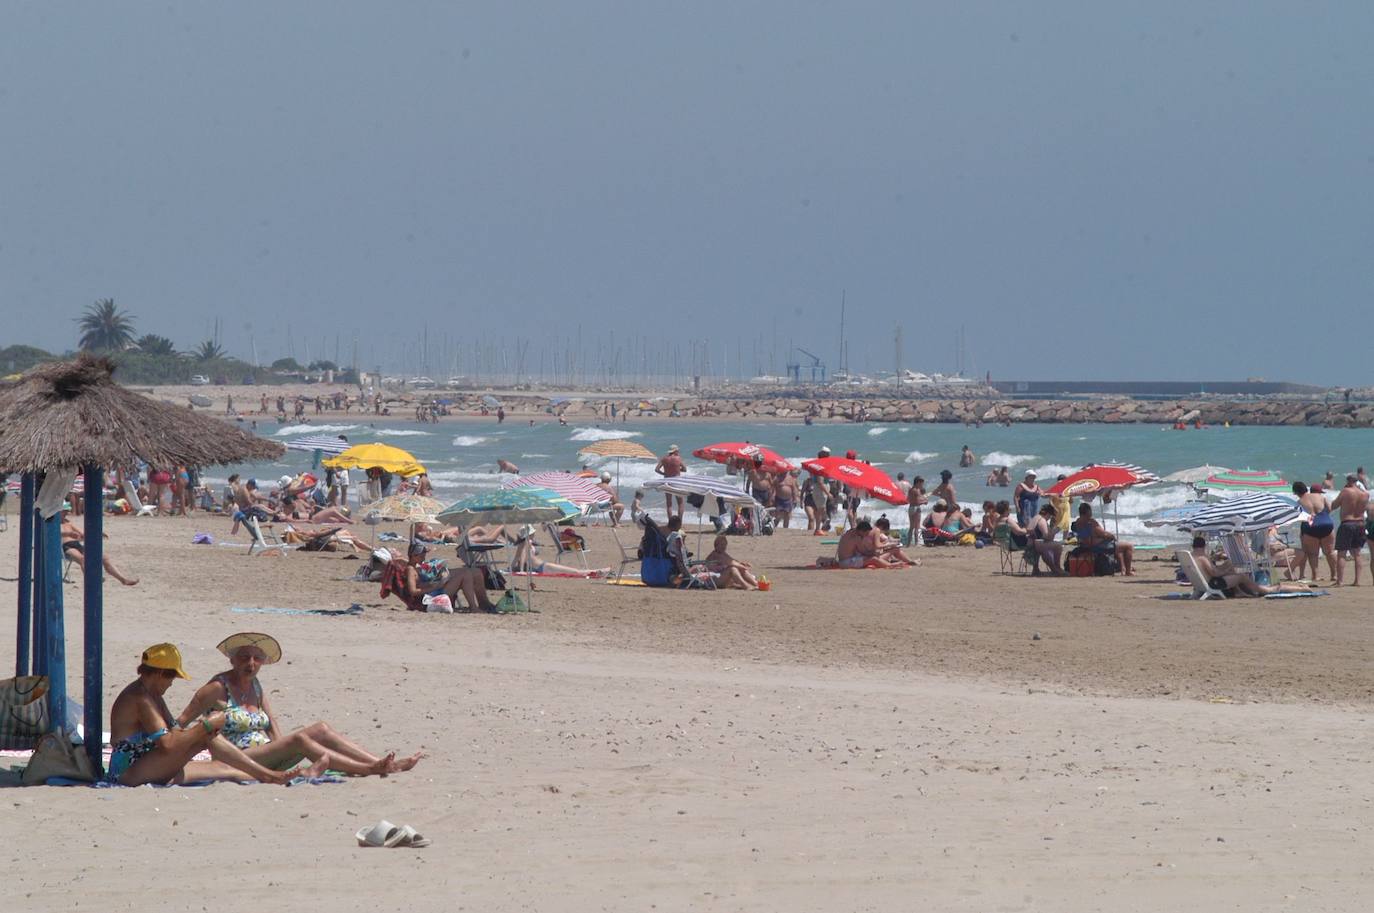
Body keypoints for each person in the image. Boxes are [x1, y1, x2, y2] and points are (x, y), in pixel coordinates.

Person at [177, 633, 423, 777]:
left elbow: (271, 722)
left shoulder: (256, 685)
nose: (250, 663)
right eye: (244, 657)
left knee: (321, 729)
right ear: (232, 660)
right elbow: (181, 722)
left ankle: (382, 762)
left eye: (257, 658)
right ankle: (370, 768)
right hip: (236, 758)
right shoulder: (218, 688)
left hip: (264, 753)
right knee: (300, 740)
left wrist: (279, 748)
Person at [108, 643, 301, 786]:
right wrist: (205, 726)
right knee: (207, 732)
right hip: (129, 771)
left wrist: (205, 731)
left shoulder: (153, 694)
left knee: (223, 768)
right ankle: (269, 774)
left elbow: (175, 728)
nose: (172, 683)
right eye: (172, 677)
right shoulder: (141, 698)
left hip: (149, 760)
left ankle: (270, 775)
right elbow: (167, 744)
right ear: (160, 674)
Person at [399, 541, 496, 612]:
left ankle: (484, 603)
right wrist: (434, 586)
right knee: (465, 574)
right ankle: (473, 607)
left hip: (434, 588)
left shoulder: (418, 566)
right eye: (421, 556)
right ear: (413, 556)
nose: (423, 558)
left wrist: (438, 576)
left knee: (476, 572)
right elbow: (413, 591)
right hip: (430, 597)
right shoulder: (410, 570)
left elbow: (422, 581)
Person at [60, 505, 138, 586]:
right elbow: (56, 534)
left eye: (66, 511)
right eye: (64, 511)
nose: (66, 513)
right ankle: (92, 580)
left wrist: (97, 534)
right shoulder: (53, 523)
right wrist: (68, 533)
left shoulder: (68, 523)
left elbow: (82, 534)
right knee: (83, 559)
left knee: (104, 557)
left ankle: (123, 579)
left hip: (76, 544)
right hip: (64, 547)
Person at [1193, 552, 1309, 597]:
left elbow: (1214, 572)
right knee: (1268, 588)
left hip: (1208, 584)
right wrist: (1225, 571)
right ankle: (1302, 589)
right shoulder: (1202, 557)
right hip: (1216, 584)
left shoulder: (1193, 556)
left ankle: (1239, 592)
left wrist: (1226, 568)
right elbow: (1214, 573)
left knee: (1233, 568)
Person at [510, 525, 609, 576]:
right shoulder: (526, 542)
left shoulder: (523, 543)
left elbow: (516, 558)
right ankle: (597, 571)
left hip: (542, 566)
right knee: (575, 572)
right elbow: (522, 556)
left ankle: (596, 571)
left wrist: (510, 569)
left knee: (574, 571)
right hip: (543, 567)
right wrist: (522, 570)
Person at [1071, 503, 1135, 575]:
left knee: (1117, 546)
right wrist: (1112, 536)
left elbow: (1086, 537)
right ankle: (1128, 571)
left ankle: (1123, 568)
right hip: (1098, 547)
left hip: (1085, 546)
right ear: (1087, 512)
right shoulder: (1090, 522)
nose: (1091, 514)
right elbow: (1104, 534)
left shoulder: (1077, 523)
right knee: (1128, 546)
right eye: (1090, 512)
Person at [1328, 474, 1369, 585]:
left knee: (1342, 553)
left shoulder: (1346, 491)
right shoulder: (1365, 494)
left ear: (1348, 481)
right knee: (1357, 553)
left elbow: (1334, 505)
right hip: (1360, 524)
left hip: (1347, 523)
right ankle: (1357, 581)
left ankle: (1340, 581)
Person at [1294, 481, 1336, 580]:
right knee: (1330, 552)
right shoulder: (1321, 497)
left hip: (1310, 526)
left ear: (1295, 492)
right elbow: (1329, 509)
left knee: (1313, 554)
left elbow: (1297, 516)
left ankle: (1315, 576)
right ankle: (1334, 575)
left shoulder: (1299, 502)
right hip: (1326, 523)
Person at [1026, 504, 1066, 576]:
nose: (1050, 518)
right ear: (1048, 514)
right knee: (1058, 546)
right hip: (1036, 544)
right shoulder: (1042, 520)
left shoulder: (1036, 517)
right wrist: (1055, 530)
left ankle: (1037, 569)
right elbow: (1047, 537)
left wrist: (1051, 526)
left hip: (1030, 543)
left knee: (1046, 551)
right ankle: (1056, 568)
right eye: (1050, 516)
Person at [654, 444, 686, 518]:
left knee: (669, 503)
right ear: (675, 451)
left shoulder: (664, 459)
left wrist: (664, 473)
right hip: (676, 481)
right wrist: (678, 469)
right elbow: (685, 469)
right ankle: (679, 522)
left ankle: (670, 522)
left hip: (667, 481)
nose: (678, 452)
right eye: (677, 450)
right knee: (680, 503)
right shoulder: (678, 458)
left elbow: (657, 469)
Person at [904, 476, 927, 546]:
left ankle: (908, 543)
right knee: (917, 527)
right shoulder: (916, 490)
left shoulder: (911, 490)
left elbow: (908, 500)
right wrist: (924, 502)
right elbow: (917, 502)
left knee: (911, 527)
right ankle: (916, 543)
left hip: (911, 508)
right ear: (918, 482)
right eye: (921, 483)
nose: (922, 485)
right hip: (916, 508)